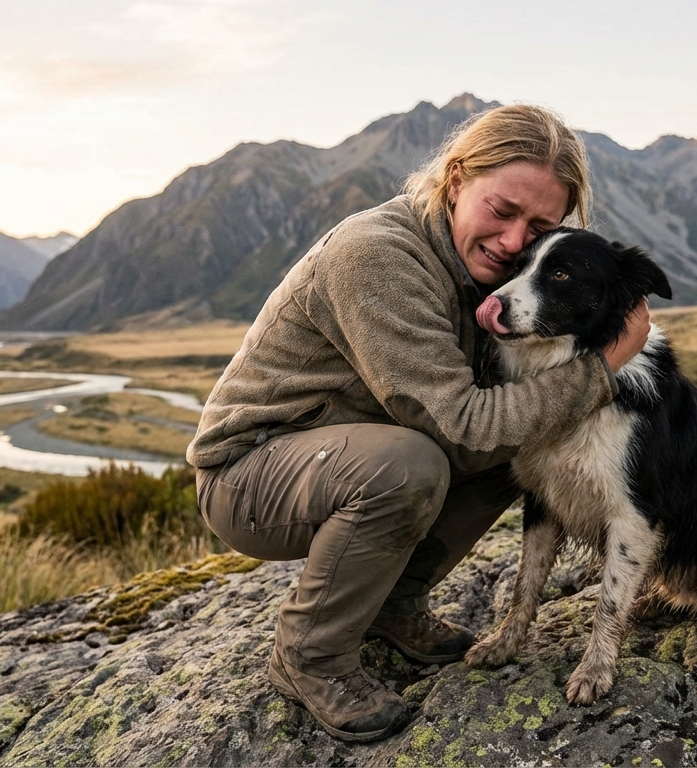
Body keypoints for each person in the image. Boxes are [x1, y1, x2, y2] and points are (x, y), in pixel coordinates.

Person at [186, 103, 651, 742]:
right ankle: (309, 656)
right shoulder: (376, 255)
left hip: (343, 458)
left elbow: (499, 421)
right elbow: (461, 425)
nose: (516, 241)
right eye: (503, 210)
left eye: (540, 225)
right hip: (251, 474)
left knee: (518, 444)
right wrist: (601, 369)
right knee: (417, 462)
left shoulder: (488, 271)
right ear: (456, 180)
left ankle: (392, 605)